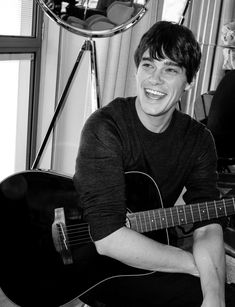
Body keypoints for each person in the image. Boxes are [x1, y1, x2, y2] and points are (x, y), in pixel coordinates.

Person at [73, 21, 235, 307]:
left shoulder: (198, 140)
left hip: (152, 248)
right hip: (92, 265)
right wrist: (195, 264)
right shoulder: (105, 127)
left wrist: (214, 294)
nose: (155, 80)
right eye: (148, 65)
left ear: (188, 82)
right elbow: (108, 238)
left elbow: (207, 224)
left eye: (170, 70)